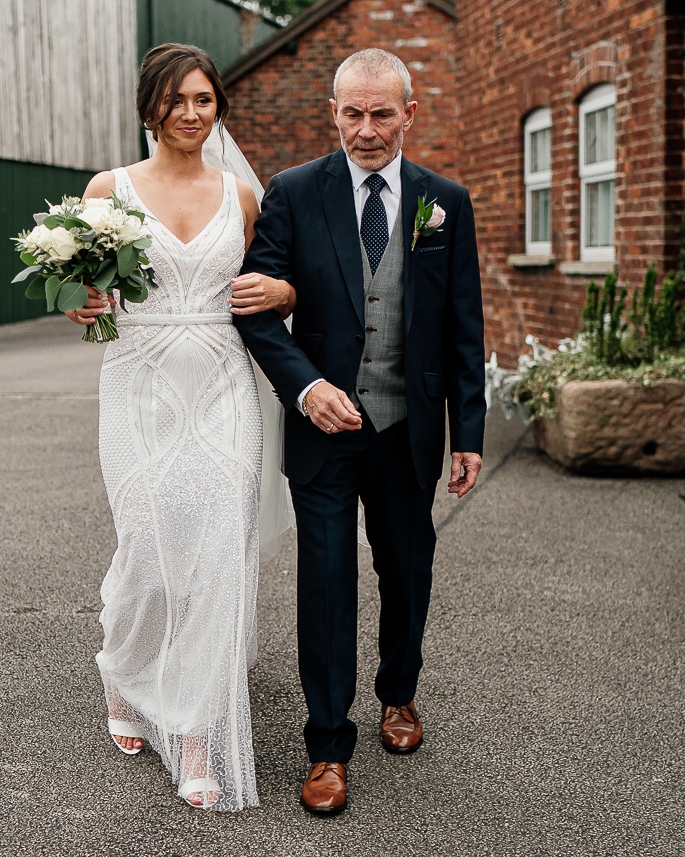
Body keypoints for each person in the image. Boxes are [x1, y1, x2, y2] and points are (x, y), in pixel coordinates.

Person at [235, 48, 486, 817]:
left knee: (407, 572)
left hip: (408, 426)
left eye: (382, 113)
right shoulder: (293, 193)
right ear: (333, 111)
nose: (366, 129)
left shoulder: (445, 200)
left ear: (410, 113)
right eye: (353, 113)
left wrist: (469, 431)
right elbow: (252, 308)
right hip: (323, 430)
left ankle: (399, 694)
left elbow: (463, 324)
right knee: (327, 582)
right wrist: (305, 388)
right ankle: (326, 746)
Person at [66, 43, 296, 811]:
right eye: (178, 101)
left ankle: (198, 734)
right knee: (149, 552)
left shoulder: (243, 195)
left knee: (217, 557)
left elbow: (278, 287)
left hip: (227, 389)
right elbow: (79, 289)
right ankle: (125, 673)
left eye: (204, 100)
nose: (192, 114)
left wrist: (285, 292)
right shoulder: (109, 188)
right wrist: (78, 303)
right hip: (139, 386)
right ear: (149, 107)